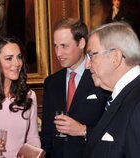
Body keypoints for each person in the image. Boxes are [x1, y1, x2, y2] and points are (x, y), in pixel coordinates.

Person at [40, 17, 108, 158]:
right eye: (55, 46)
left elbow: (115, 131)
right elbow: (47, 135)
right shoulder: (51, 83)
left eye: (64, 46)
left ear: (81, 43)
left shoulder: (102, 78)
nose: (58, 53)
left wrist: (83, 130)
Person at [85, 22, 140, 158]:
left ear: (115, 57)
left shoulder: (137, 103)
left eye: (91, 55)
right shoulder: (125, 95)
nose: (87, 65)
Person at [0, 35, 41, 158]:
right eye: (9, 58)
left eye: (19, 57)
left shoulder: (29, 96)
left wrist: (33, 154)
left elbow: (33, 137)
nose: (17, 63)